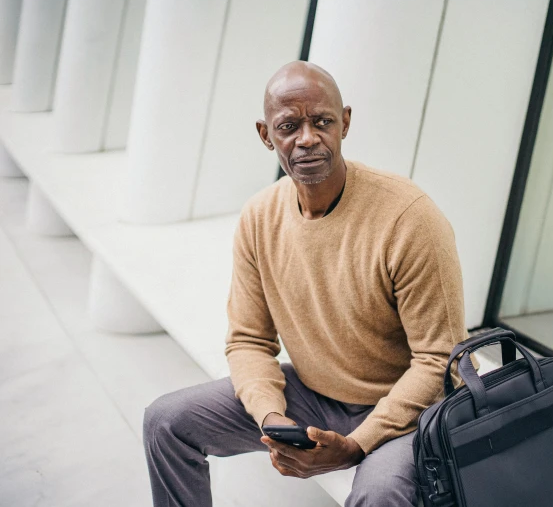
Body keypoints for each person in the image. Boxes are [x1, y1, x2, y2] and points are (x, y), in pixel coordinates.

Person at [142, 61, 468, 506]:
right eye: (289, 125)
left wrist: (358, 443)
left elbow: (439, 362)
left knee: (379, 493)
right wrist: (271, 417)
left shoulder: (409, 218)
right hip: (315, 396)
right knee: (165, 422)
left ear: (345, 122)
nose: (308, 138)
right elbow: (249, 340)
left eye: (322, 121)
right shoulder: (260, 217)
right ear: (265, 134)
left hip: (410, 411)